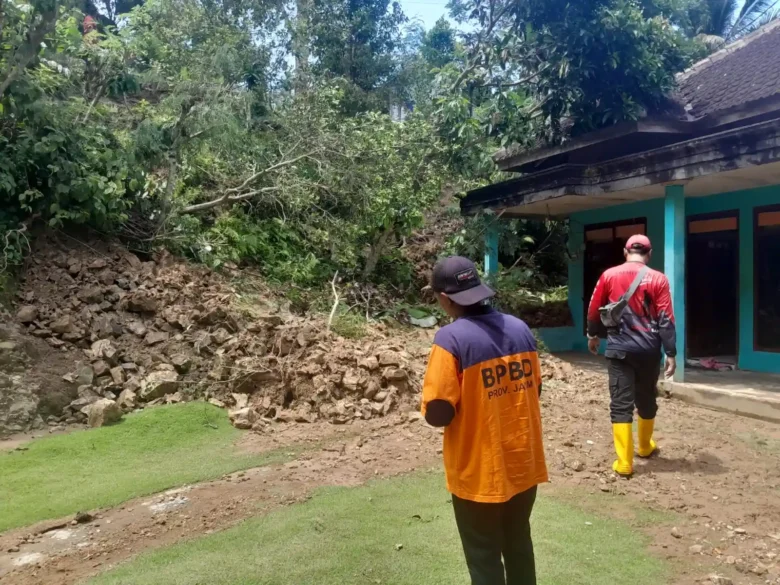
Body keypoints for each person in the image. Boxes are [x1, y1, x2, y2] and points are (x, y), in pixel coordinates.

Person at [421, 256, 548, 585]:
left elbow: (439, 413)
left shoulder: (450, 340)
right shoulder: (520, 329)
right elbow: (535, 390)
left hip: (479, 472)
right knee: (519, 544)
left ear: (445, 299)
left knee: (483, 558)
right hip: (523, 464)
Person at [586, 234, 676, 477]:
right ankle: (645, 447)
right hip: (649, 349)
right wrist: (670, 352)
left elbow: (594, 309)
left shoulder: (609, 275)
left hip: (619, 349)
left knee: (621, 403)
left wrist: (593, 335)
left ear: (625, 252)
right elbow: (666, 317)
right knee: (646, 398)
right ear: (649, 254)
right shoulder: (659, 279)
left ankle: (625, 462)